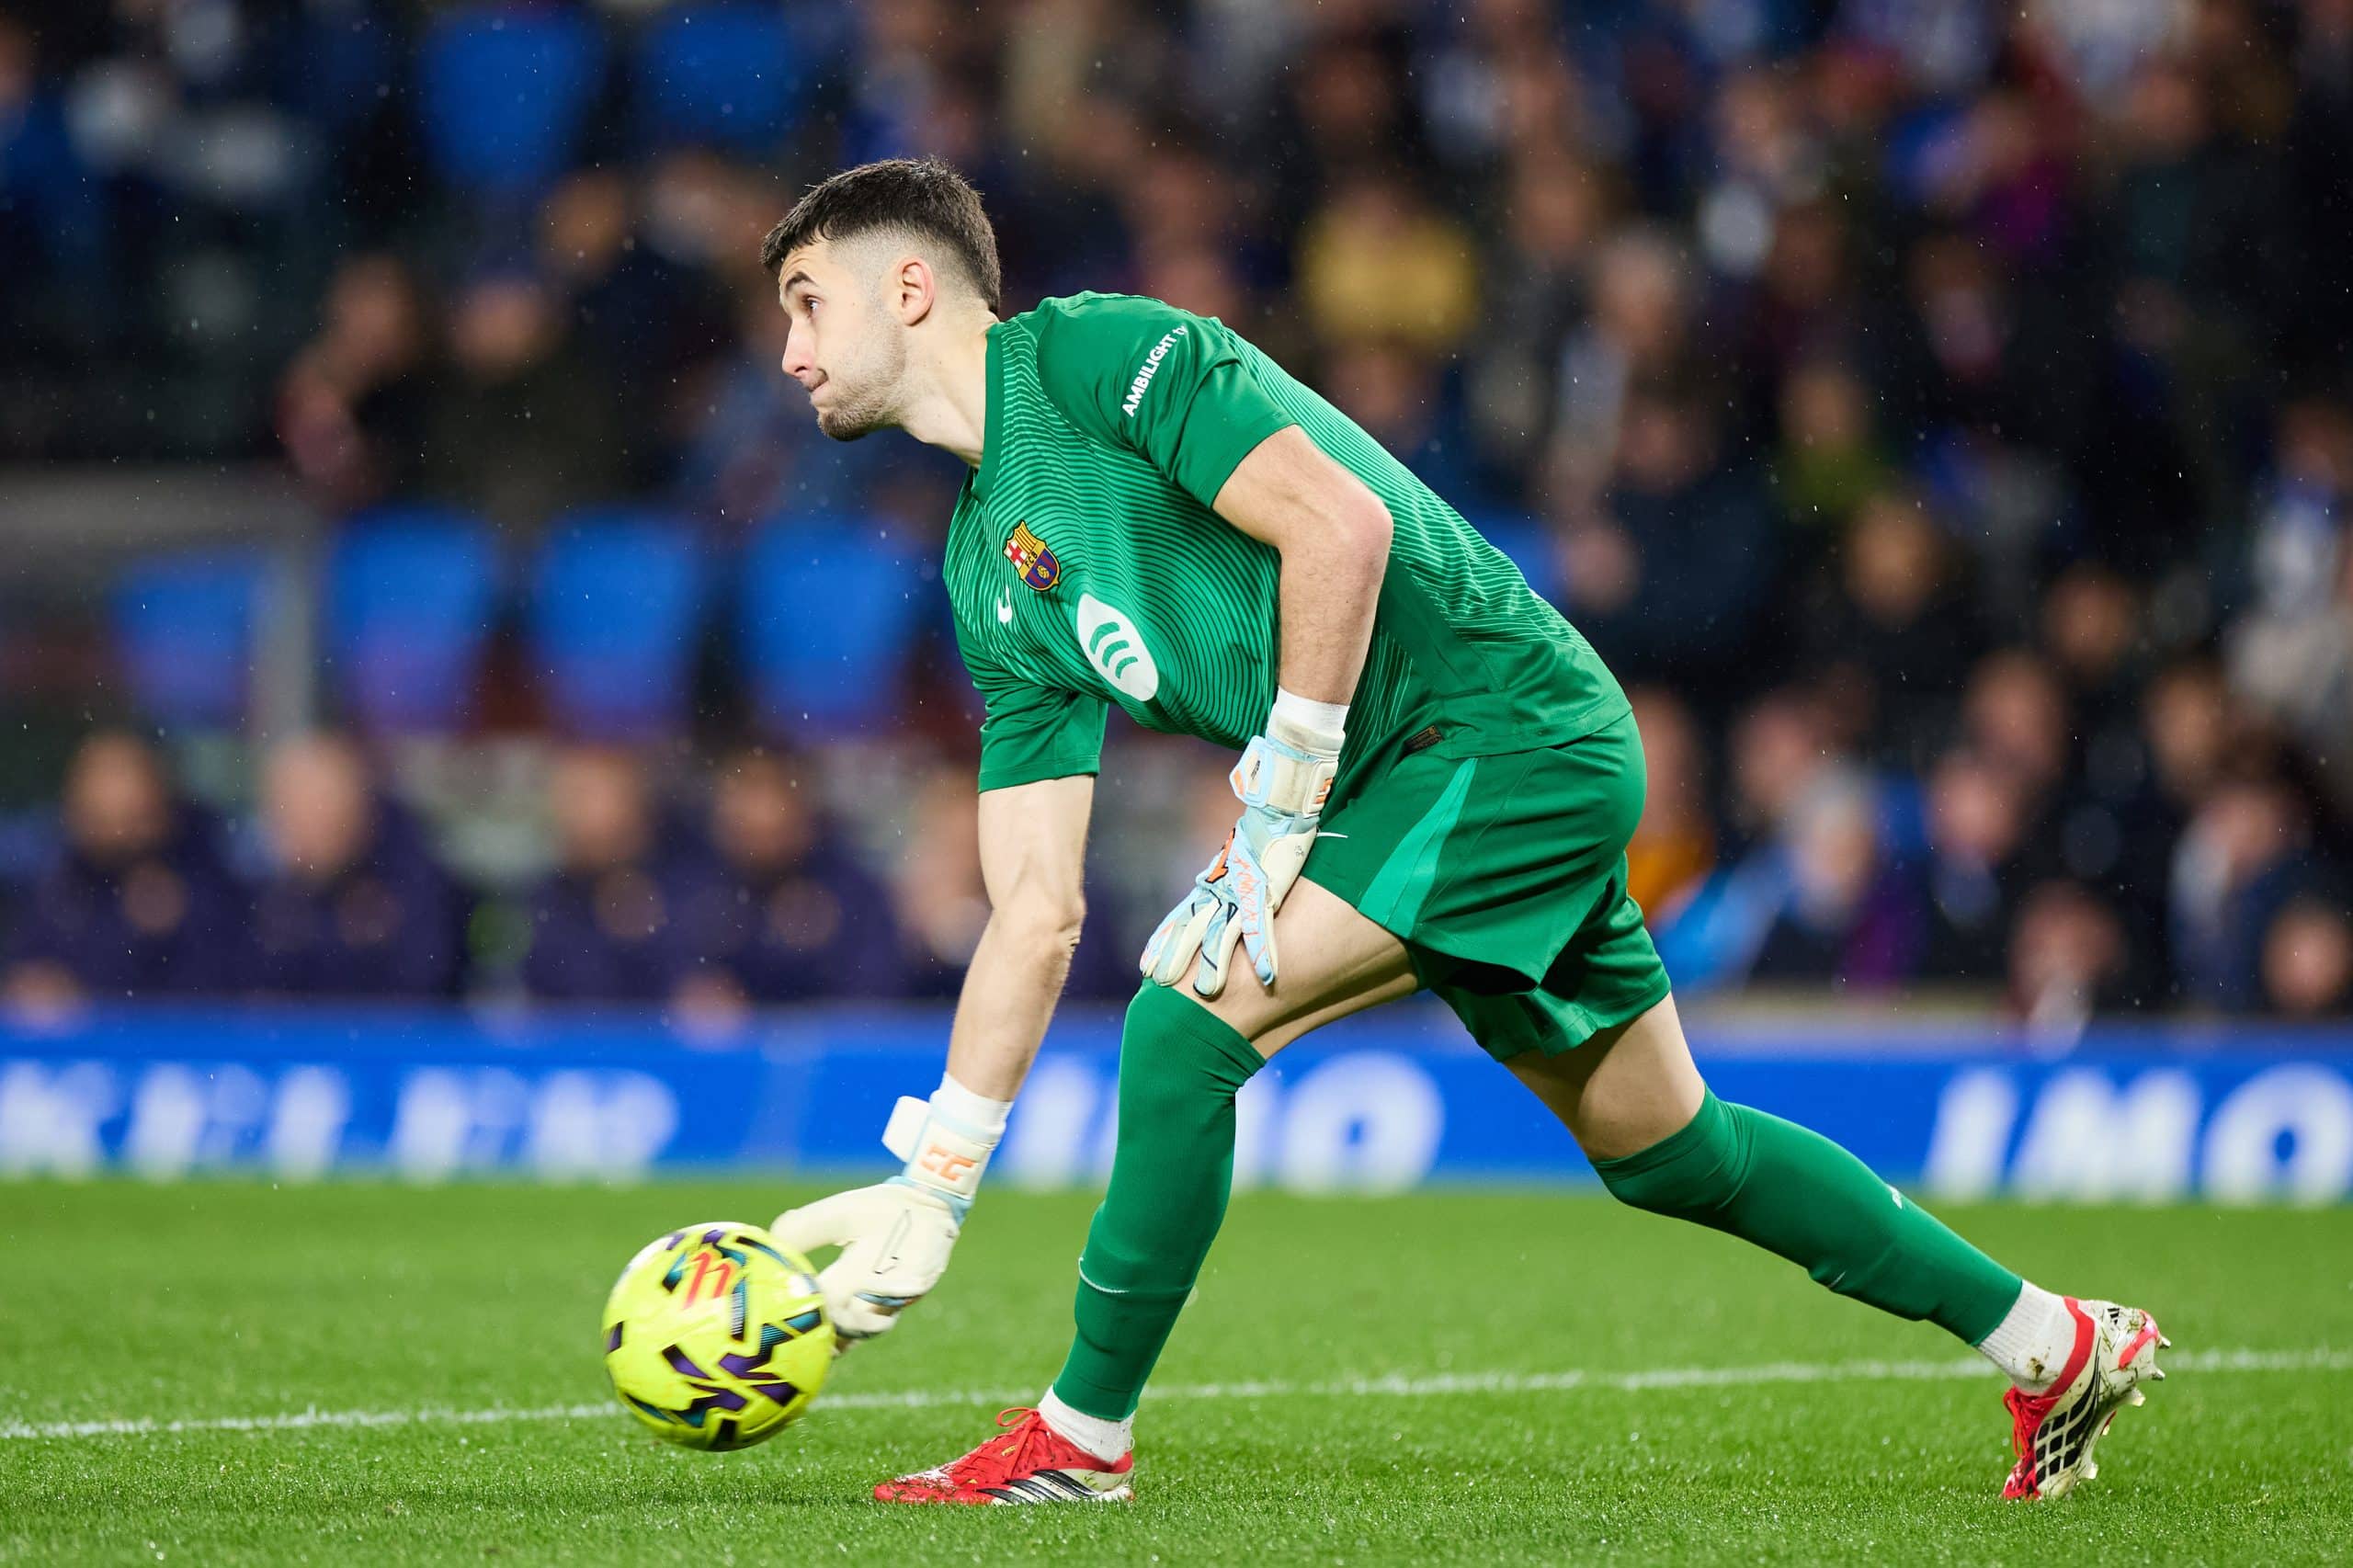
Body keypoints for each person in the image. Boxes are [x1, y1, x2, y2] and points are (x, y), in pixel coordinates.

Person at [756, 159, 2165, 1507]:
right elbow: (1032, 908)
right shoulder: (988, 573)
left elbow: (1344, 532)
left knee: (1182, 1026)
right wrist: (932, 1182)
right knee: (1673, 1152)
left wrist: (1279, 808)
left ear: (914, 288)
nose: (791, 354)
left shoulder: (1099, 357)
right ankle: (2056, 1345)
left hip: (1502, 735)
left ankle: (1080, 1438)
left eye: (809, 302)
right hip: (1418, 787)